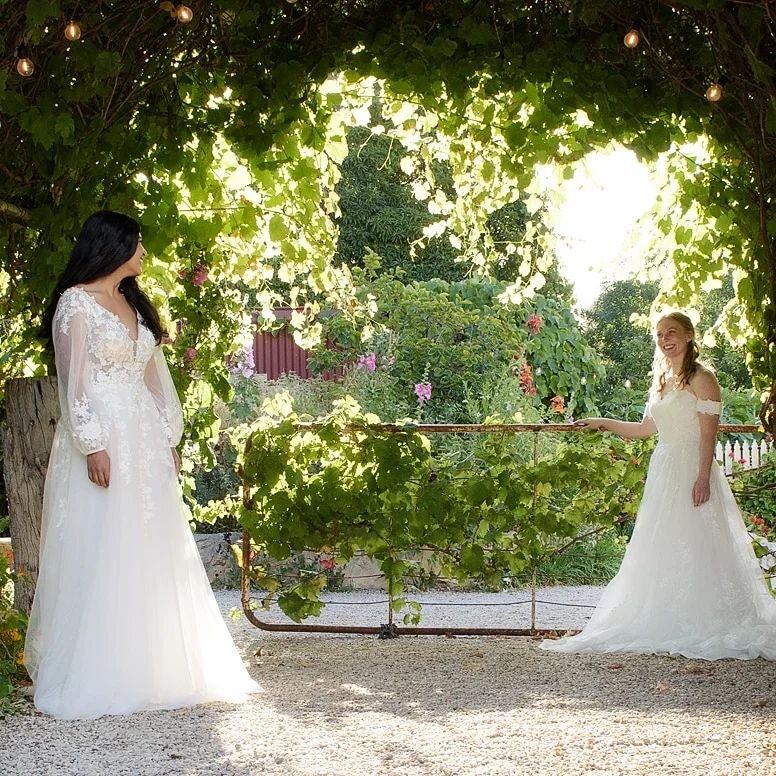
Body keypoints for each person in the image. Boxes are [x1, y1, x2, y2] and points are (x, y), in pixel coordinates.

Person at [25, 211, 259, 719]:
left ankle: (156, 666)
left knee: (148, 543)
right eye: (137, 244)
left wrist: (168, 434)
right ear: (112, 247)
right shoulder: (76, 304)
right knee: (103, 542)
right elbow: (75, 382)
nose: (144, 252)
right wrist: (92, 444)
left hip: (144, 441)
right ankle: (100, 670)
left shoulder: (133, 303)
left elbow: (154, 376)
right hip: (106, 437)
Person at [540, 311, 776, 660]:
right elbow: (644, 431)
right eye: (660, 333)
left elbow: (708, 433)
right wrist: (602, 422)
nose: (666, 339)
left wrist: (701, 477)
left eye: (673, 332)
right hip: (664, 468)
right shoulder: (662, 379)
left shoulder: (702, 377)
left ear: (689, 335)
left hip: (692, 466)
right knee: (662, 541)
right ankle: (668, 615)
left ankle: (707, 617)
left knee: (699, 541)